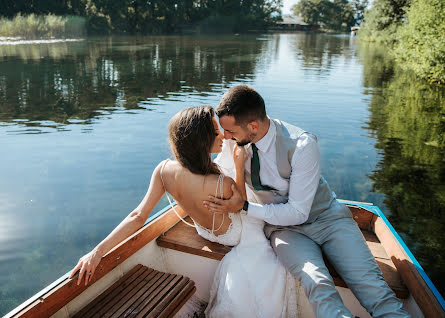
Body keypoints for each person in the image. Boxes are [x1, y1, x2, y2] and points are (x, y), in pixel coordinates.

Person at [69, 105, 296, 317]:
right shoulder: (222, 183)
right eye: (216, 133)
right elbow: (241, 207)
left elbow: (137, 216)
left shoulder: (163, 170)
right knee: (266, 217)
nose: (223, 137)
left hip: (204, 230)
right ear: (201, 141)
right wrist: (238, 166)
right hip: (232, 233)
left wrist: (97, 251)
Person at [204, 85, 410, 318]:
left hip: (328, 219)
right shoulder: (235, 142)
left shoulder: (302, 144)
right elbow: (214, 170)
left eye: (230, 131)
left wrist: (245, 207)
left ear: (253, 126)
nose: (226, 136)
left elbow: (298, 212)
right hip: (285, 231)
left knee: (374, 291)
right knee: (319, 286)